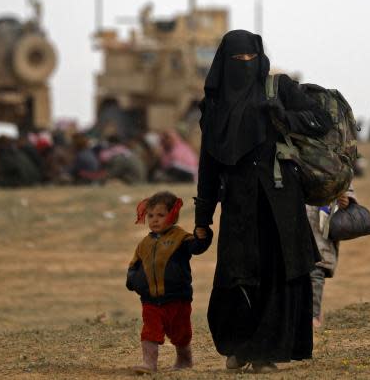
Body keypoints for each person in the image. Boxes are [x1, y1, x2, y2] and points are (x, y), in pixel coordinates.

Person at [194, 30, 333, 373]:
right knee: (236, 276)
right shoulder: (213, 105)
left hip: (279, 201)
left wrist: (285, 117)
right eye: (236, 60)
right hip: (238, 205)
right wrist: (203, 218)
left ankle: (265, 352)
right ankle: (239, 348)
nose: (244, 65)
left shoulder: (279, 88)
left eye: (249, 59)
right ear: (223, 63)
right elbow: (208, 164)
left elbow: (322, 121)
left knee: (277, 274)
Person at [126, 191, 212, 374]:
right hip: (150, 300)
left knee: (180, 333)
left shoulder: (181, 238)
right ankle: (149, 364)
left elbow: (197, 248)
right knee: (149, 331)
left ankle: (184, 360)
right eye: (150, 216)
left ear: (172, 215)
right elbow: (134, 264)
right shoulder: (144, 243)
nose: (154, 220)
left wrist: (203, 236)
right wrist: (132, 280)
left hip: (177, 299)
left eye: (160, 215)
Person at [308, 185, 357, 328]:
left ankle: (313, 315)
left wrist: (347, 200)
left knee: (316, 271)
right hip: (293, 221)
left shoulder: (332, 163)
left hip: (321, 224)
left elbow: (343, 178)